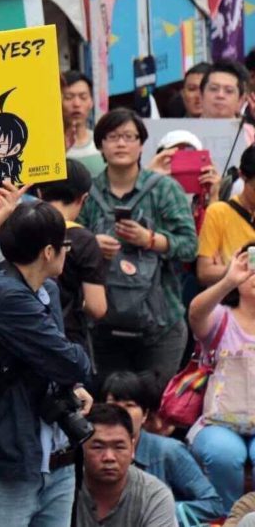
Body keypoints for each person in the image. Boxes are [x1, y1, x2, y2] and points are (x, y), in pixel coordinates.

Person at [0, 201, 92, 527]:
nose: (68, 252)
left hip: (57, 462)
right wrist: (73, 368)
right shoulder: (8, 297)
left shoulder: (46, 290)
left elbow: (63, 367)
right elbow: (71, 362)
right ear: (49, 251)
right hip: (8, 465)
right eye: (65, 245)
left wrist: (74, 386)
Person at [79, 107, 197, 386]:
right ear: (100, 145)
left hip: (160, 324)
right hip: (102, 324)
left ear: (142, 144)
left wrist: (150, 240)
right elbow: (67, 242)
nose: (121, 143)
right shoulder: (88, 193)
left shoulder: (164, 189)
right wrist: (90, 245)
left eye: (129, 137)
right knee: (110, 406)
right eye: (112, 136)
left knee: (155, 406)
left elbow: (190, 246)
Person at [100, 371, 222, 523]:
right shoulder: (89, 451)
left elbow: (213, 505)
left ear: (145, 414)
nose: (120, 413)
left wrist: (161, 510)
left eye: (129, 406)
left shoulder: (168, 451)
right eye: (113, 405)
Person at [187, 244, 255, 514]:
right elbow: (195, 312)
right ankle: (227, 518)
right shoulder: (220, 318)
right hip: (218, 423)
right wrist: (228, 280)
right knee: (226, 455)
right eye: (249, 267)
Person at [37, 159, 108, 361]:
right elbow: (97, 307)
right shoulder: (84, 240)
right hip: (67, 340)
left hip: (27, 331)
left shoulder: (21, 225)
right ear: (83, 198)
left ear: (40, 193)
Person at [76, 403, 176, 526]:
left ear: (132, 448)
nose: (109, 457)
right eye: (98, 447)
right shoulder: (64, 489)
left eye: (119, 447)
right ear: (80, 449)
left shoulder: (153, 495)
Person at [197, 144, 255, 285]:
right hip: (234, 301)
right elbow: (204, 272)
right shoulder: (219, 212)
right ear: (242, 175)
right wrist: (238, 269)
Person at [62, 70, 105, 175]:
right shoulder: (49, 151)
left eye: (83, 97)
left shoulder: (102, 144)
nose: (76, 104)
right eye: (68, 97)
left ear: (91, 102)